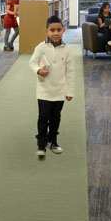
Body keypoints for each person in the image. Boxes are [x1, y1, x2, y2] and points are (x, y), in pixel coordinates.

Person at [29, 15, 74, 158]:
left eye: (59, 30)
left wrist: (70, 90)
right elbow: (32, 62)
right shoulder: (41, 47)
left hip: (60, 91)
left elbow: (71, 72)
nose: (55, 33)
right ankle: (41, 145)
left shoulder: (67, 49)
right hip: (43, 91)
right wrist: (38, 70)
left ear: (63, 31)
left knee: (56, 117)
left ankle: (53, 141)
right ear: (46, 31)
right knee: (43, 117)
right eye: (52, 30)